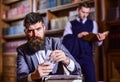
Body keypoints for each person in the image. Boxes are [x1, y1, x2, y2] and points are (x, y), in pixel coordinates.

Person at [16, 12, 81, 82]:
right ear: (25, 32)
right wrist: (34, 75)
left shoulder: (55, 42)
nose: (35, 34)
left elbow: (77, 69)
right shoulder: (22, 50)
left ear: (44, 28)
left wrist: (66, 60)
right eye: (30, 31)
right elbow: (20, 78)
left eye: (38, 29)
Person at [62, 2, 107, 82]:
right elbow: (65, 41)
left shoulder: (93, 23)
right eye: (83, 12)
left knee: (91, 79)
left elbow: (96, 43)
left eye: (87, 12)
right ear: (78, 10)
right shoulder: (70, 24)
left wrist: (100, 40)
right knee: (74, 80)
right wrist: (78, 36)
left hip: (87, 57)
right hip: (74, 58)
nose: (85, 15)